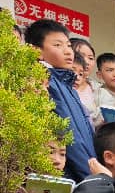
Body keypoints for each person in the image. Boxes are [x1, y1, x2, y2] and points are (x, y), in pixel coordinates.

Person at [25, 19, 95, 183]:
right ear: (37, 51)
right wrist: (90, 175)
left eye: (68, 45)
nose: (68, 51)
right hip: (68, 173)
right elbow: (70, 137)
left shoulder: (66, 85)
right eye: (57, 45)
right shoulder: (43, 80)